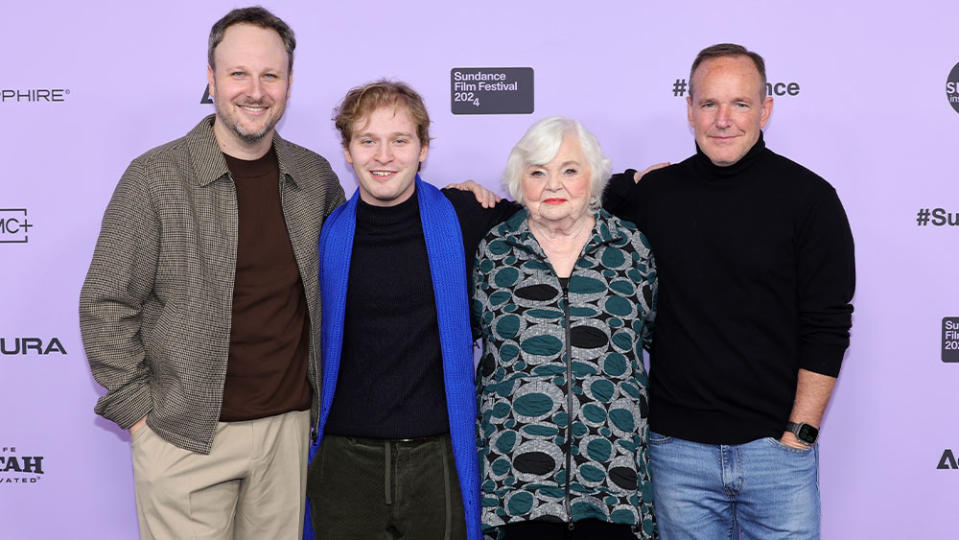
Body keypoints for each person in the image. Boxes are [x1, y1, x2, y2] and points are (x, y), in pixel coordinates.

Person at [78, 7, 345, 539]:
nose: (255, 90)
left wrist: (459, 201)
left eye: (270, 75)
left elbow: (362, 252)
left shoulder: (313, 177)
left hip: (286, 435)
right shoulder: (155, 177)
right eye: (238, 74)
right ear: (211, 79)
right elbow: (105, 302)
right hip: (182, 436)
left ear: (289, 84)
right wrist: (140, 415)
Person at [603, 43, 856, 539]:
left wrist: (799, 436)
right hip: (677, 455)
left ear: (766, 109)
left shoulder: (811, 199)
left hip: (777, 454)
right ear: (690, 110)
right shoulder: (656, 195)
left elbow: (828, 325)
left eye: (740, 104)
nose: (723, 119)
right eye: (709, 104)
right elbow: (568, 203)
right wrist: (630, 180)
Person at [306, 80, 520, 540]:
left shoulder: (463, 214)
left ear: (423, 149)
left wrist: (639, 185)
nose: (384, 156)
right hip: (344, 460)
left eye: (400, 141)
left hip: (437, 458)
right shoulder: (323, 233)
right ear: (348, 151)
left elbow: (555, 209)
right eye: (368, 141)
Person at [472, 116, 658, 539]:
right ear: (520, 183)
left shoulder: (631, 249)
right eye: (538, 172)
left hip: (613, 478)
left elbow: (657, 340)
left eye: (569, 170)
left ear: (594, 179)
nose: (553, 185)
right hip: (517, 483)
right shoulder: (494, 252)